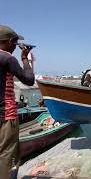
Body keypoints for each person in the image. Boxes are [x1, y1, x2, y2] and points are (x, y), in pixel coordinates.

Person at [0, 25, 35, 179]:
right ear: (7, 41)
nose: (15, 46)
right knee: (8, 156)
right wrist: (24, 59)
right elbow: (29, 79)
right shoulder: (7, 58)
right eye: (15, 43)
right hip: (6, 116)